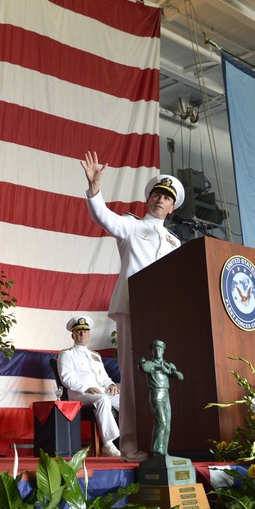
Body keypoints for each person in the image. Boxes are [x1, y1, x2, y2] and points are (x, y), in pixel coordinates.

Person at [82, 151, 184, 461]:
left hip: (160, 314)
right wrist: (95, 188)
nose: (159, 199)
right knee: (131, 377)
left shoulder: (174, 243)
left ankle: (160, 442)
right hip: (131, 308)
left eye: (166, 197)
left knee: (159, 380)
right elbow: (104, 218)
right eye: (156, 193)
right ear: (148, 198)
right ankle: (129, 445)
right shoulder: (130, 226)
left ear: (172, 207)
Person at [57, 316, 122, 458]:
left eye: (85, 331)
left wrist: (110, 384)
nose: (82, 334)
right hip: (79, 393)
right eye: (78, 331)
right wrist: (86, 388)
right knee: (102, 400)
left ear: (89, 334)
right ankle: (108, 445)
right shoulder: (67, 354)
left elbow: (104, 377)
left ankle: (130, 442)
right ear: (72, 334)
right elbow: (66, 378)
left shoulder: (95, 356)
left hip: (100, 391)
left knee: (125, 402)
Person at [138, 339, 183, 458]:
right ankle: (157, 451)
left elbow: (180, 377)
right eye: (155, 349)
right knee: (161, 422)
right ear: (152, 351)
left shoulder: (167, 366)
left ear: (163, 351)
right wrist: (161, 368)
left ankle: (164, 452)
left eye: (160, 349)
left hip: (165, 394)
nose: (157, 351)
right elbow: (144, 367)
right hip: (156, 393)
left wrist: (174, 370)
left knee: (167, 424)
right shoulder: (151, 364)